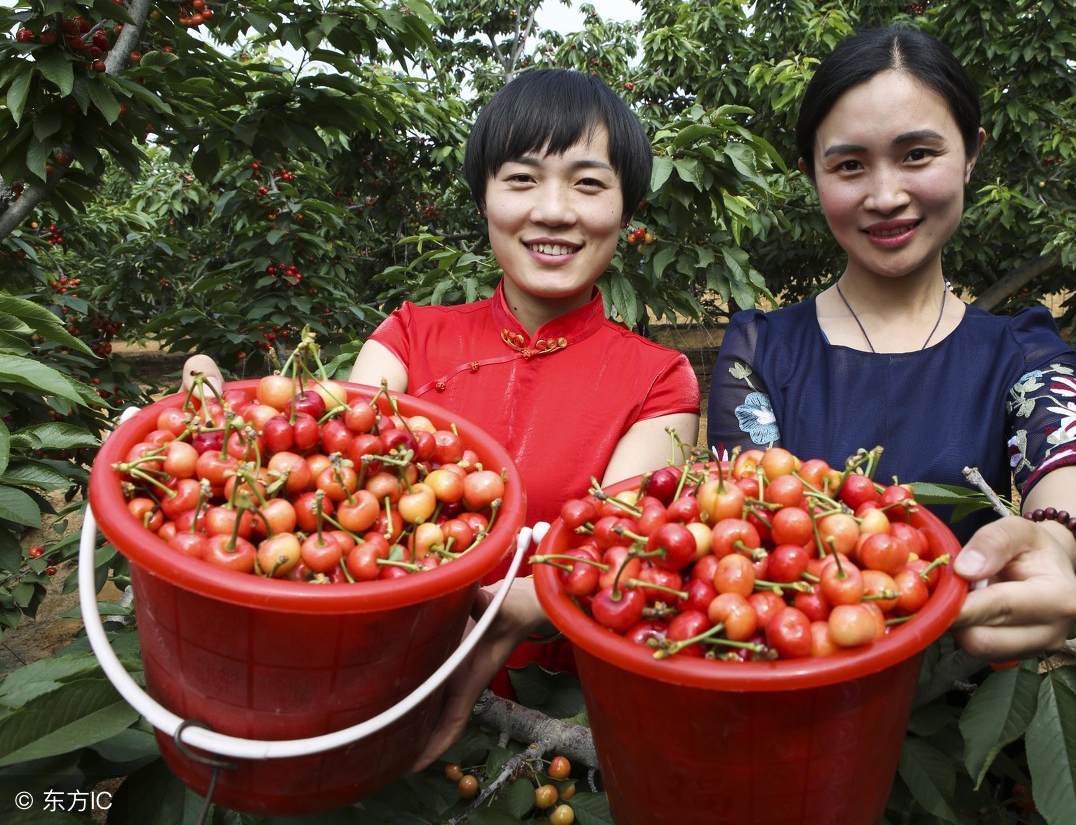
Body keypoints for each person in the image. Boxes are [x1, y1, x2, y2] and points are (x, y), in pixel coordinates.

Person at [183, 68, 700, 767]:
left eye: (587, 182)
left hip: (561, 724)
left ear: (625, 208)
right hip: (373, 686)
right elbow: (330, 482)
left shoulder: (660, 382)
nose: (553, 210)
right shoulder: (408, 337)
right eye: (521, 179)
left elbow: (615, 553)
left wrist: (501, 613)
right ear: (484, 198)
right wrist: (215, 440)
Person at [707, 25, 1076, 661]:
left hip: (970, 700)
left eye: (917, 154)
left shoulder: (1018, 352)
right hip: (807, 698)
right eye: (849, 165)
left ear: (971, 153)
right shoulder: (759, 354)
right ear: (812, 176)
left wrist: (1052, 541)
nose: (886, 196)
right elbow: (749, 526)